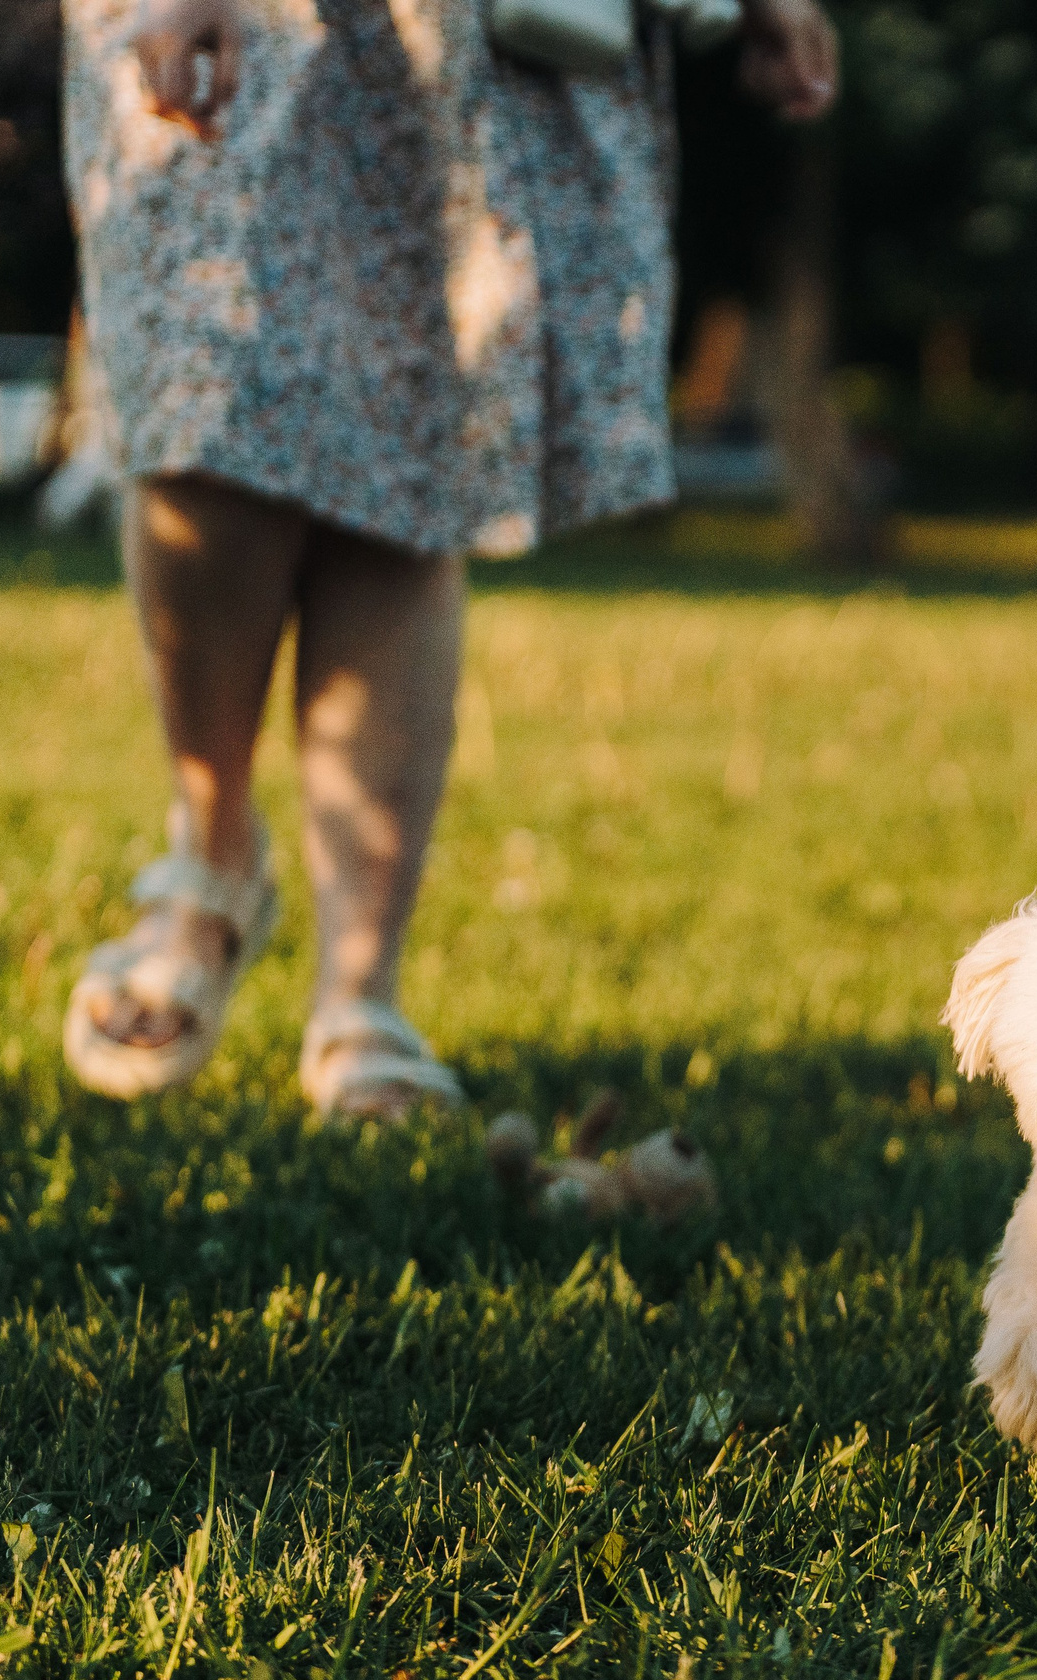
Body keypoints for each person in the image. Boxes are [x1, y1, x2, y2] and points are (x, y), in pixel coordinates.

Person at [58, 0, 836, 1116]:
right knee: (199, 401)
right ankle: (213, 853)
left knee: (415, 450)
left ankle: (359, 989)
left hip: (459, 39)